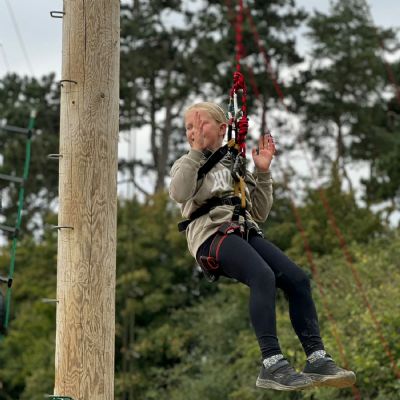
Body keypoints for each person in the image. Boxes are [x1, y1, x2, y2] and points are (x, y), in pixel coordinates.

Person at [169, 102, 356, 391]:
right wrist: (195, 152)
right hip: (210, 236)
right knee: (262, 275)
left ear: (222, 129)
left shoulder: (234, 164)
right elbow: (180, 192)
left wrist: (262, 172)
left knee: (297, 279)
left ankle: (316, 358)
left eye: (201, 123)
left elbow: (259, 211)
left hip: (242, 231)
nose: (195, 130)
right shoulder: (186, 163)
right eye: (189, 127)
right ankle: (272, 363)